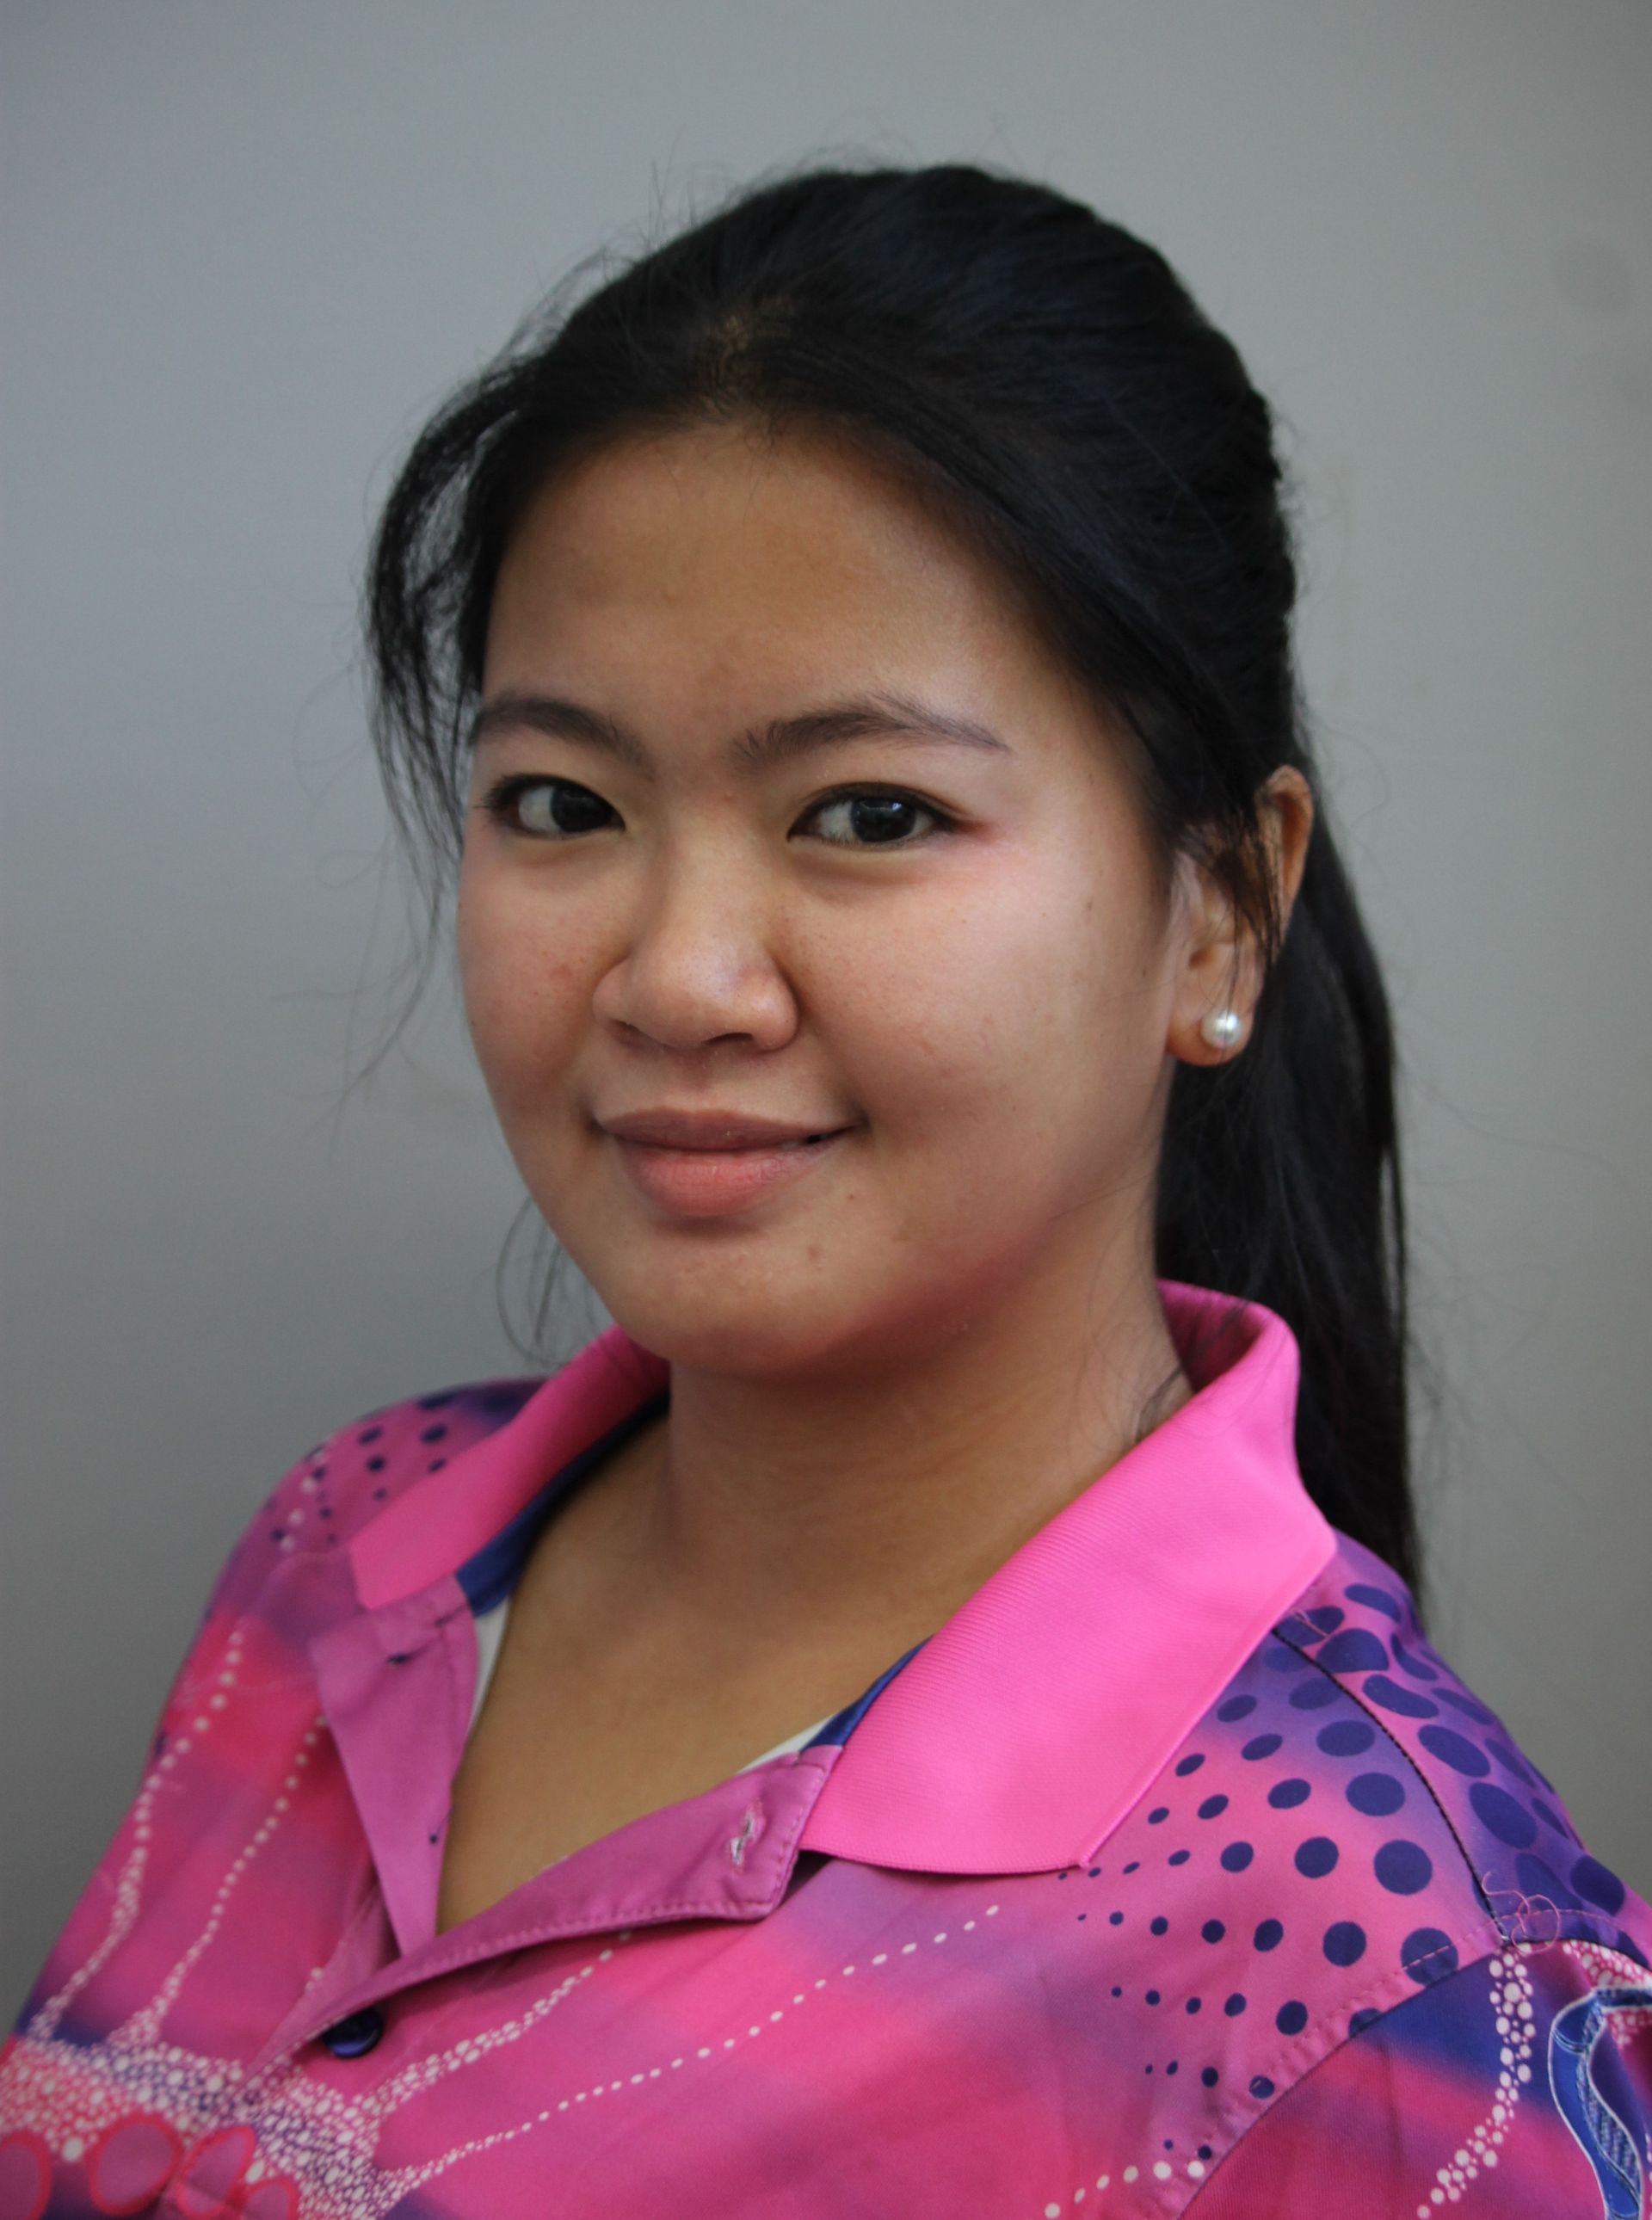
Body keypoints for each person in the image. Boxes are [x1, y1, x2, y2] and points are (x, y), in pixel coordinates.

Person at [3, 159, 1647, 2220]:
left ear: (1221, 909)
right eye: (562, 805)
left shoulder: (1397, 1982)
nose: (679, 977)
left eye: (868, 812)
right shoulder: (349, 1559)